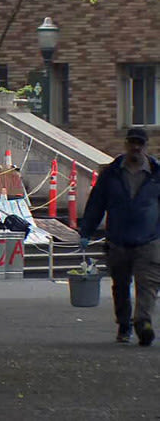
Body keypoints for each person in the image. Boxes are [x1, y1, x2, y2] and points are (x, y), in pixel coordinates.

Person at [79, 127, 160, 346]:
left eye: (139, 144)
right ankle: (124, 325)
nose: (135, 147)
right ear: (125, 144)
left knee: (148, 284)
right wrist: (86, 230)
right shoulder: (112, 173)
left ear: (145, 146)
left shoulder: (156, 173)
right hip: (118, 239)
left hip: (149, 239)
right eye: (132, 143)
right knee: (121, 285)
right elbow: (97, 203)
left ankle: (143, 322)